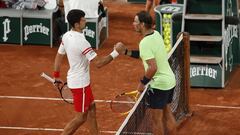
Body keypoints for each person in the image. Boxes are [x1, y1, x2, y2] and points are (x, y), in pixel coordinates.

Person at [53, 9, 120, 135]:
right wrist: (116, 53)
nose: (85, 21)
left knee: (92, 109)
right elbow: (98, 63)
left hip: (79, 82)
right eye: (83, 19)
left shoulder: (67, 36)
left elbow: (58, 56)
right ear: (77, 24)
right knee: (81, 117)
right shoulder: (81, 42)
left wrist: (56, 76)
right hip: (80, 85)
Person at [115, 10, 177, 135]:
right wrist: (126, 52)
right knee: (166, 113)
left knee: (156, 120)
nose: (133, 24)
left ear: (142, 24)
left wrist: (142, 83)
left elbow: (152, 67)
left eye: (135, 22)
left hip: (159, 85)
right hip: (169, 81)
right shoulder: (156, 34)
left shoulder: (144, 43)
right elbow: (146, 56)